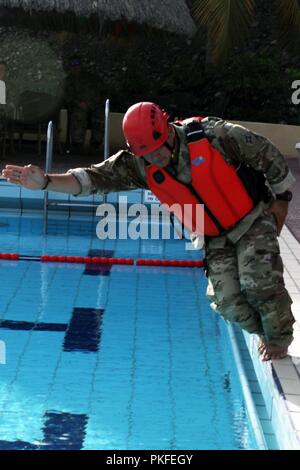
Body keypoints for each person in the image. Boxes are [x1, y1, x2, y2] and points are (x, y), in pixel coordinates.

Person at [2, 102, 295, 361]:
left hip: (252, 217)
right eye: (145, 154)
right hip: (213, 237)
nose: (153, 160)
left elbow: (264, 152)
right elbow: (92, 179)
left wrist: (282, 200)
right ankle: (265, 330)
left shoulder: (213, 135)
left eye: (156, 152)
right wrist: (45, 183)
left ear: (167, 131)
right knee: (228, 302)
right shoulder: (139, 164)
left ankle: (280, 340)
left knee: (258, 283)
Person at [63, 55, 103, 154]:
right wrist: (77, 102)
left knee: (100, 115)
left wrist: (95, 103)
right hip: (77, 107)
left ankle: (95, 144)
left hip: (93, 106)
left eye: (77, 64)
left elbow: (102, 92)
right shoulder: (68, 81)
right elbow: (65, 96)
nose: (75, 67)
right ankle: (78, 145)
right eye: (73, 64)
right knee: (79, 115)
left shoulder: (91, 79)